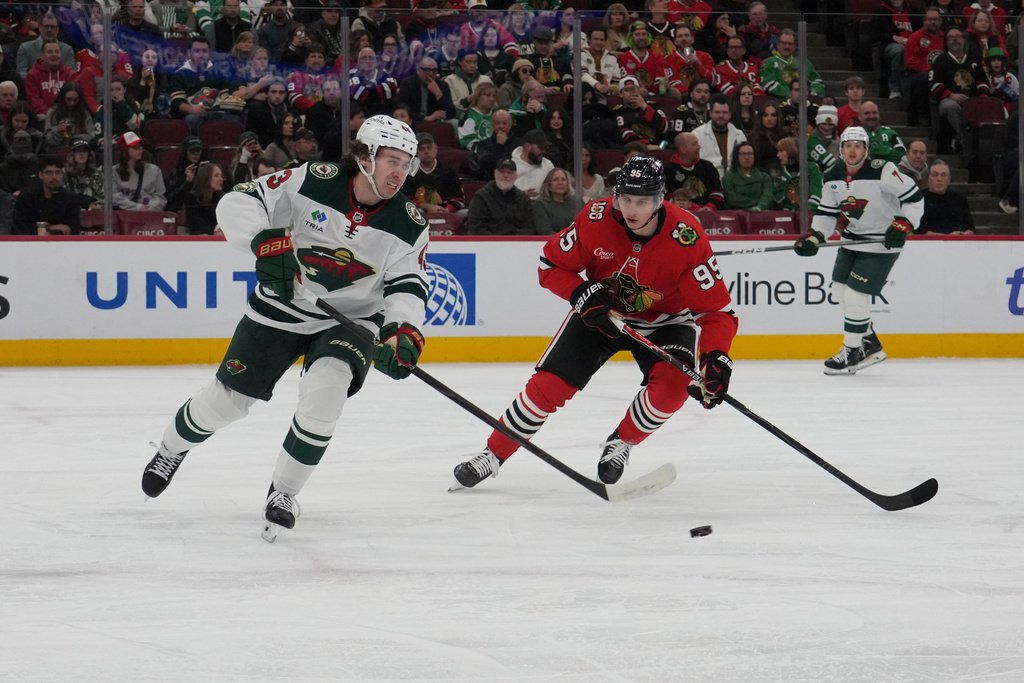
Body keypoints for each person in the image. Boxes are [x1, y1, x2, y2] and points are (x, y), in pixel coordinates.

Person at [141, 115, 430, 541]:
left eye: (407, 163)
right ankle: (171, 448)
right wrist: (264, 242)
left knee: (327, 390)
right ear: (364, 156)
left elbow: (408, 285)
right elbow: (239, 201)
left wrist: (401, 330)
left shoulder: (410, 223)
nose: (400, 172)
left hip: (350, 319)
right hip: (283, 305)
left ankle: (285, 491)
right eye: (391, 160)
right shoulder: (314, 179)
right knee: (227, 403)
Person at [451, 155, 737, 490]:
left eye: (642, 201)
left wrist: (716, 358)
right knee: (547, 388)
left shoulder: (687, 236)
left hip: (666, 321)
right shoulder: (596, 218)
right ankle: (493, 454)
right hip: (601, 312)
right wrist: (581, 292)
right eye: (625, 198)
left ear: (660, 200)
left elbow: (717, 313)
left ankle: (623, 442)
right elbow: (549, 266)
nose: (631, 209)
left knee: (673, 389)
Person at [793, 126, 924, 375]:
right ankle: (870, 343)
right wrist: (815, 235)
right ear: (841, 149)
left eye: (858, 146)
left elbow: (915, 198)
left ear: (866, 149)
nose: (853, 150)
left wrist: (904, 223)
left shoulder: (883, 170)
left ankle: (852, 352)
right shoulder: (831, 175)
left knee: (855, 298)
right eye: (848, 145)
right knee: (839, 292)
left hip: (882, 242)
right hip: (853, 240)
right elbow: (827, 213)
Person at [929, 26, 989, 154]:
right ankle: (965, 139)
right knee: (950, 106)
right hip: (949, 101)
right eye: (951, 37)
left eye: (958, 36)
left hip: (972, 101)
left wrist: (983, 96)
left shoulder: (973, 60)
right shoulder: (941, 61)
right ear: (946, 42)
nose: (955, 39)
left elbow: (982, 81)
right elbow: (934, 83)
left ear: (963, 39)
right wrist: (950, 95)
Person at [465, 156, 537, 234]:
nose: (505, 175)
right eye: (502, 172)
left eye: (509, 172)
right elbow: (475, 227)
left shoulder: (523, 199)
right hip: (488, 243)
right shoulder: (481, 197)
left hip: (516, 243)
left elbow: (529, 227)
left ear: (515, 176)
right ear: (495, 174)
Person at [12, 155, 81, 235]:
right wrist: (47, 228)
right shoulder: (27, 197)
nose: (54, 177)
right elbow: (19, 226)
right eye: (49, 173)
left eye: (57, 172)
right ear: (41, 175)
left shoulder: (71, 198)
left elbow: (73, 228)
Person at [400, 131, 466, 215]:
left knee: (465, 213)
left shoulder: (448, 171)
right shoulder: (409, 172)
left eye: (429, 147)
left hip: (446, 212)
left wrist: (447, 209)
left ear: (435, 148)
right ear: (416, 152)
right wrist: (424, 206)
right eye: (422, 149)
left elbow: (458, 198)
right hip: (419, 211)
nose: (426, 152)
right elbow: (403, 198)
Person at [665, 131, 725, 211]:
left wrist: (709, 208)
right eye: (694, 144)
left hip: (709, 215)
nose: (699, 147)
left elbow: (718, 192)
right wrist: (694, 208)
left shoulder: (708, 167)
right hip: (681, 216)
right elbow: (668, 197)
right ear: (683, 150)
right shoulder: (668, 171)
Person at [760, 28, 825, 99]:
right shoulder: (769, 62)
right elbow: (768, 85)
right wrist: (794, 95)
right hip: (779, 102)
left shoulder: (804, 63)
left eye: (790, 44)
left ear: (794, 46)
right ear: (778, 45)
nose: (786, 47)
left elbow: (817, 82)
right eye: (784, 43)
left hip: (805, 101)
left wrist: (813, 92)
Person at [692, 95, 746, 177]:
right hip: (707, 180)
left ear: (730, 115)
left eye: (724, 112)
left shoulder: (739, 135)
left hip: (736, 181)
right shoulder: (697, 135)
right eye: (717, 112)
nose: (721, 116)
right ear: (710, 113)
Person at [917, 159, 975, 234]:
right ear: (929, 179)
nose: (939, 179)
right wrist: (946, 237)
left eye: (943, 175)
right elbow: (917, 229)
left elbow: (970, 227)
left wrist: (968, 233)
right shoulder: (919, 198)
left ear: (949, 180)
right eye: (935, 175)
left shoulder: (959, 199)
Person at [113, 132, 167, 211]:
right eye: (135, 147)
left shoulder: (155, 170)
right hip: (123, 215)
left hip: (149, 214)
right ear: (125, 150)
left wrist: (149, 208)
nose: (140, 149)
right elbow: (113, 196)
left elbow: (160, 197)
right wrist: (137, 207)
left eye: (141, 146)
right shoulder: (113, 171)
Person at [397, 57, 457, 124]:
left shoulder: (442, 85)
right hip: (415, 121)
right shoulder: (407, 84)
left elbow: (452, 113)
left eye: (434, 70)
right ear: (418, 70)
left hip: (437, 122)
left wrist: (439, 95)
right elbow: (403, 110)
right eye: (427, 70)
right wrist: (425, 118)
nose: (431, 74)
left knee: (455, 122)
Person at [773, 136, 822, 211]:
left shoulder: (812, 168)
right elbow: (777, 199)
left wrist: (807, 208)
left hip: (810, 214)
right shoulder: (779, 172)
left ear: (791, 151)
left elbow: (818, 192)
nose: (778, 155)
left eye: (781, 151)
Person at [722, 141, 773, 211]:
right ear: (737, 157)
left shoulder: (764, 177)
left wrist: (760, 206)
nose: (746, 157)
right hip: (737, 214)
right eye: (743, 154)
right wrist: (757, 202)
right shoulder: (728, 177)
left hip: (761, 212)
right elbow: (732, 199)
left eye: (750, 154)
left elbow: (768, 196)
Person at [531, 168, 581, 234]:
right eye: (556, 180)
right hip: (554, 241)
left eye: (563, 180)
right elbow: (544, 230)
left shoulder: (576, 202)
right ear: (548, 185)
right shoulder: (540, 204)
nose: (560, 183)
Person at [182, 162, 226, 235]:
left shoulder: (223, 198)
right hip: (199, 239)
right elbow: (197, 223)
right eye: (216, 176)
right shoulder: (191, 198)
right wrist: (213, 233)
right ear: (206, 178)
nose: (221, 179)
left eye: (221, 176)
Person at [63, 137, 104, 210]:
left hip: (93, 212)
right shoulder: (65, 174)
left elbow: (102, 198)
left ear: (89, 155)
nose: (81, 154)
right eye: (78, 151)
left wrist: (92, 208)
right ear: (72, 154)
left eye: (84, 151)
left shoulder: (97, 175)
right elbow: (62, 197)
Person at [513, 128, 555, 197]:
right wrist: (521, 195)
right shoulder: (511, 166)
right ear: (527, 146)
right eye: (540, 148)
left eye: (545, 148)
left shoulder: (548, 165)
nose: (543, 151)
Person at [458, 82, 498, 151]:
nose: (492, 99)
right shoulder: (468, 115)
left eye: (494, 96)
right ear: (478, 96)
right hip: (478, 155)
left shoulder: (497, 115)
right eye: (487, 95)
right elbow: (468, 141)